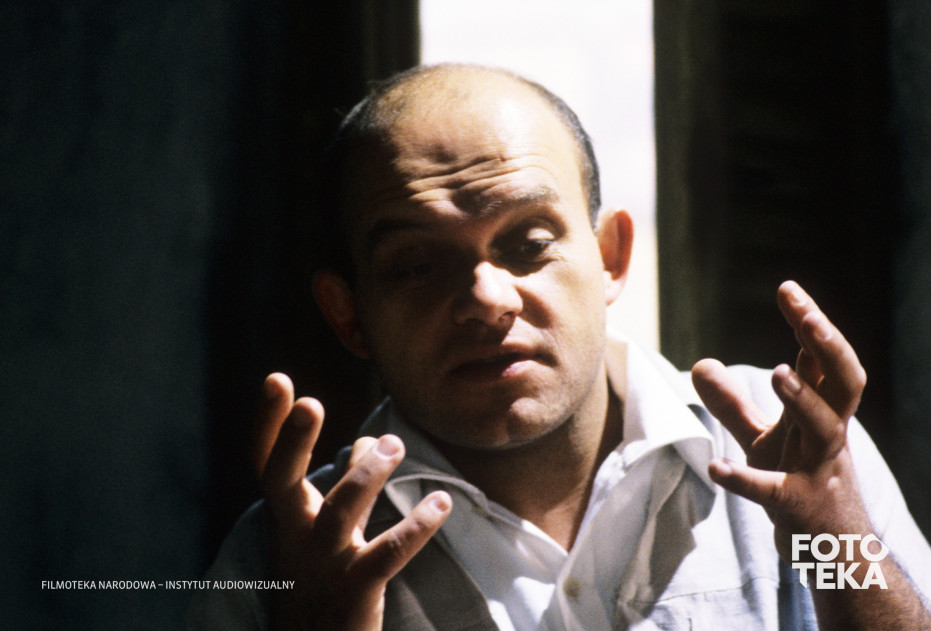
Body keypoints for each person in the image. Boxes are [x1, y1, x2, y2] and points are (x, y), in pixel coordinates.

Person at [188, 63, 931, 630]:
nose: (487, 299)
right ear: (348, 314)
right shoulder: (290, 559)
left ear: (609, 258)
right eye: (417, 266)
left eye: (528, 243)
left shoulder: (784, 445)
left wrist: (835, 541)